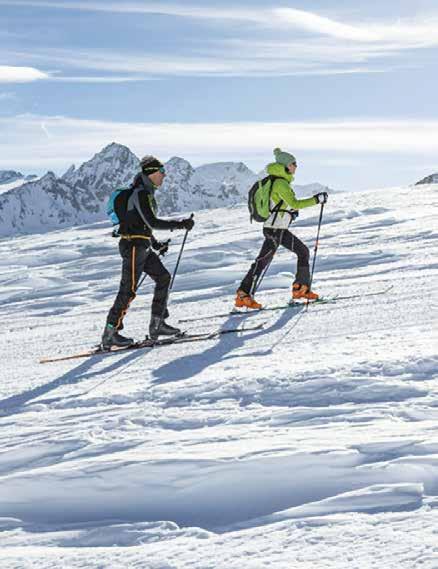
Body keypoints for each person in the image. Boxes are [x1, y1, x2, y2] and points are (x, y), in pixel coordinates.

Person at [101, 155, 194, 349]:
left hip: (141, 245)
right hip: (133, 246)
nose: (164, 175)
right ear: (151, 173)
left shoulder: (144, 193)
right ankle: (110, 333)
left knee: (163, 278)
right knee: (128, 290)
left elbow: (142, 224)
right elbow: (152, 222)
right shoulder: (141, 193)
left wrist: (156, 244)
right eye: (161, 172)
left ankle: (157, 323)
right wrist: (181, 224)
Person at [235, 147, 328, 309]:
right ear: (285, 166)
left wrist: (290, 213)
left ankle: (300, 288)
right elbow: (295, 203)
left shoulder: (280, 182)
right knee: (263, 261)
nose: (296, 166)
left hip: (279, 229)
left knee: (302, 252)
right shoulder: (280, 183)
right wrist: (316, 199)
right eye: (293, 164)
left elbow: (283, 206)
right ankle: (243, 295)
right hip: (274, 230)